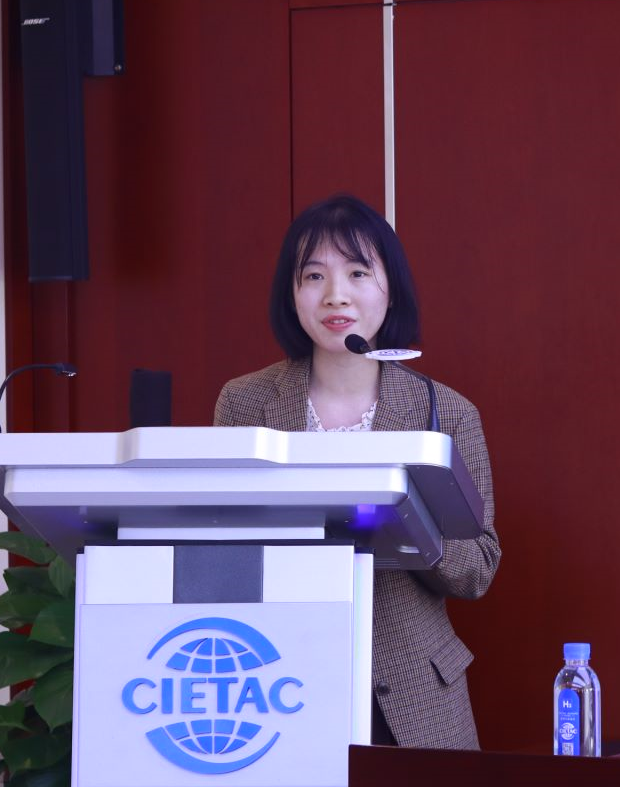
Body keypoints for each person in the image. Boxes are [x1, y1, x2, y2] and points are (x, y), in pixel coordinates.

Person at [213, 193, 500, 749]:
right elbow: (224, 539)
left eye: (358, 272)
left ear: (391, 288)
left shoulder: (445, 413)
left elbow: (478, 570)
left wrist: (412, 522)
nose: (335, 295)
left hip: (413, 691)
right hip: (273, 679)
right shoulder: (244, 403)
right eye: (313, 275)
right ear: (292, 293)